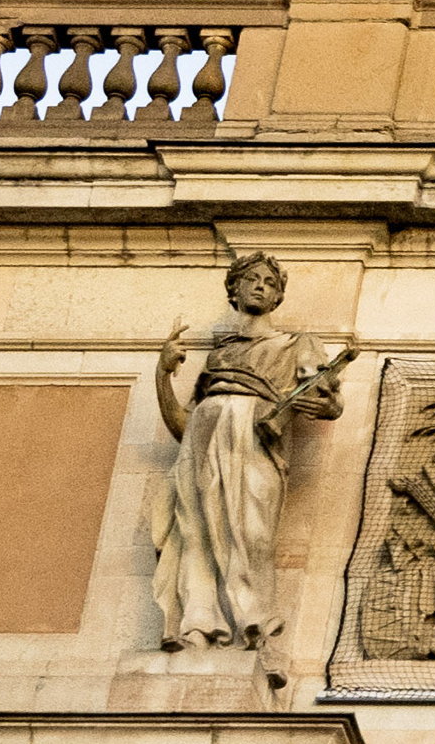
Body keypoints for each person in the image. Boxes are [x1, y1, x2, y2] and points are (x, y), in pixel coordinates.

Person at [143, 252, 349, 657]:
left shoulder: (296, 344)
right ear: (234, 290)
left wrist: (326, 402)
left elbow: (328, 400)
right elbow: (182, 425)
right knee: (196, 533)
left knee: (254, 533)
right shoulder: (219, 356)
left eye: (269, 283)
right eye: (251, 279)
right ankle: (199, 624)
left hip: (254, 441)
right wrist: (162, 374)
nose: (260, 287)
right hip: (202, 439)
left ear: (277, 298)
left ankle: (255, 624)